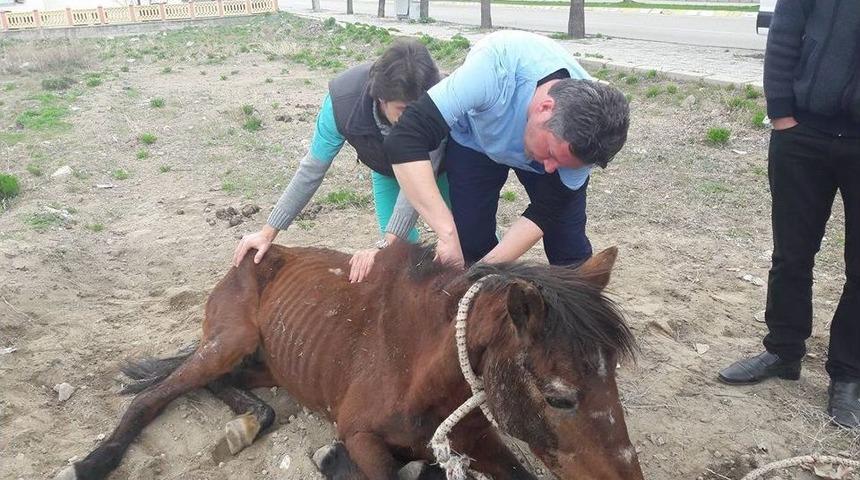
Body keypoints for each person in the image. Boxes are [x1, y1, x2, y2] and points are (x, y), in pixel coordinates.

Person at [718, 0, 860, 428]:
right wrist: (780, 112)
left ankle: (849, 374)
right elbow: (782, 37)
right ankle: (783, 350)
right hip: (802, 135)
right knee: (791, 254)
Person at [382, 30, 629, 269]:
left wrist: (484, 270)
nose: (549, 168)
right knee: (470, 237)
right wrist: (447, 234)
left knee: (569, 249)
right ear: (545, 108)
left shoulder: (584, 143)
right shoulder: (493, 71)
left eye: (563, 163)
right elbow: (405, 138)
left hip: (533, 140)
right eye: (552, 154)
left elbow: (546, 210)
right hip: (477, 141)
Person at [232, 38, 449, 282]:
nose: (413, 119)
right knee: (398, 258)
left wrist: (386, 243)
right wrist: (268, 231)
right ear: (380, 98)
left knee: (469, 239)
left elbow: (418, 186)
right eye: (403, 110)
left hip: (440, 170)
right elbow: (311, 170)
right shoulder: (342, 104)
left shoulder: (439, 100)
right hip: (386, 169)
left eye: (418, 109)